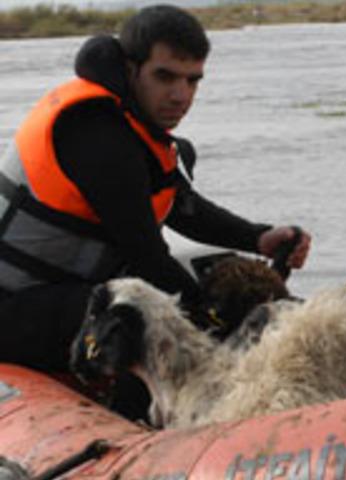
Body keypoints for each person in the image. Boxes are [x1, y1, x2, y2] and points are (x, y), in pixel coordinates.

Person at [0, 5, 311, 374]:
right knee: (142, 311)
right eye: (165, 77)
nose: (181, 95)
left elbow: (182, 207)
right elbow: (147, 256)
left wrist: (258, 238)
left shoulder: (133, 124)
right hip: (13, 307)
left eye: (192, 80)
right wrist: (211, 321)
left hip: (56, 292)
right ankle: (147, 421)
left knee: (191, 286)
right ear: (131, 69)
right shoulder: (96, 133)